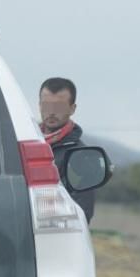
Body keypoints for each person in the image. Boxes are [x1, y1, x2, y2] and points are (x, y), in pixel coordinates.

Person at [39, 77, 97, 223]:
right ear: (39, 105)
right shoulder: (21, 141)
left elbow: (83, 213)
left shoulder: (81, 156)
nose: (51, 112)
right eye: (46, 106)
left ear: (72, 109)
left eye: (58, 107)